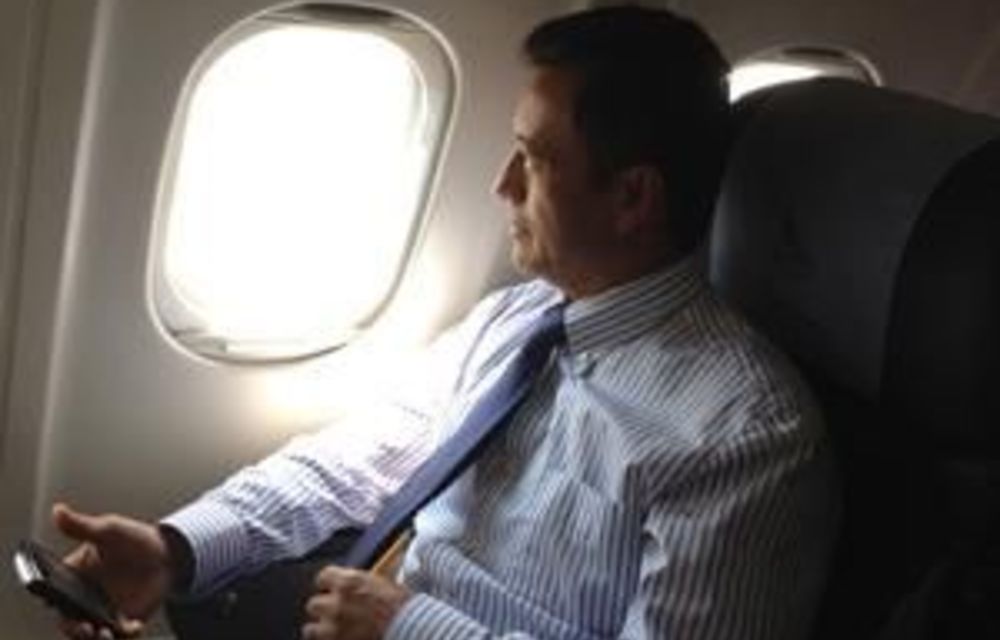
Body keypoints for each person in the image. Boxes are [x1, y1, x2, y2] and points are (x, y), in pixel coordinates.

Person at [54, 6, 838, 640]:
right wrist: (176, 547)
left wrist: (410, 627)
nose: (501, 185)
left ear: (632, 197)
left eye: (533, 160)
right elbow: (356, 458)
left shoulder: (742, 439)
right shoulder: (522, 318)